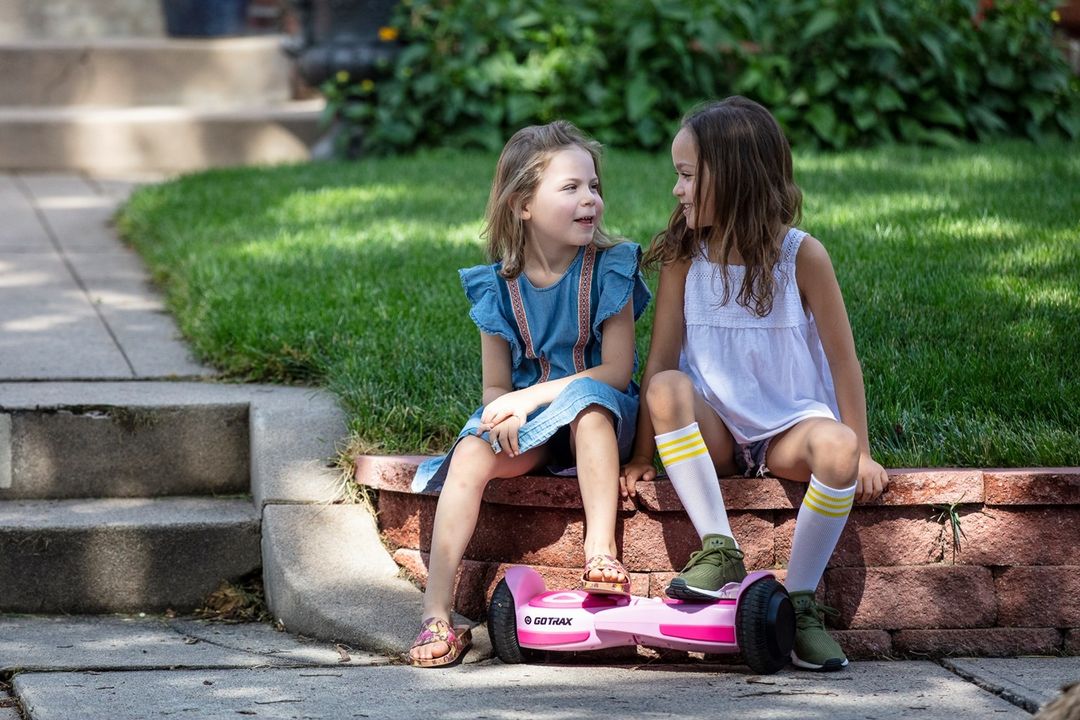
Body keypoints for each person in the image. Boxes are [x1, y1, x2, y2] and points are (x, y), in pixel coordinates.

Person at [620, 96, 889, 672]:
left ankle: (800, 603)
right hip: (716, 429)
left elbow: (844, 362)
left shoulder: (802, 256)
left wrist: (863, 451)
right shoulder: (686, 258)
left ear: (735, 179)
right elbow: (660, 359)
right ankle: (720, 548)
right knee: (667, 386)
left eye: (687, 175)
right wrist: (642, 454)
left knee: (838, 446)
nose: (676, 189)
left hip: (789, 429)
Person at [408, 120, 651, 667]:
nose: (590, 199)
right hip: (536, 427)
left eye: (594, 186)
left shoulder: (611, 267)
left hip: (603, 417)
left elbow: (615, 372)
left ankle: (601, 554)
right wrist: (506, 412)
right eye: (571, 188)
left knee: (589, 409)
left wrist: (531, 397)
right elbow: (497, 387)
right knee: (470, 454)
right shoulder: (496, 287)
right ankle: (437, 613)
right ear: (522, 205)